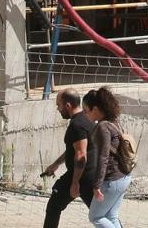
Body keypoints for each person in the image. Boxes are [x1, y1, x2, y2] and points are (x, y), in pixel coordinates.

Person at [40, 88, 96, 228]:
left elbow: (81, 155)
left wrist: (75, 182)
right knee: (102, 215)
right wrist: (55, 164)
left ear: (68, 105)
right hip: (88, 175)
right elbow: (74, 150)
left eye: (58, 105)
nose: (58, 109)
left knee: (54, 206)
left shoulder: (77, 125)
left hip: (82, 177)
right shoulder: (86, 119)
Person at [82, 87, 132, 228]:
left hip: (112, 180)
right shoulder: (113, 122)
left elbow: (103, 158)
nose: (85, 115)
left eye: (86, 111)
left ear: (96, 109)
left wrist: (97, 185)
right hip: (124, 177)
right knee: (111, 216)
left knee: (96, 217)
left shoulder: (102, 127)